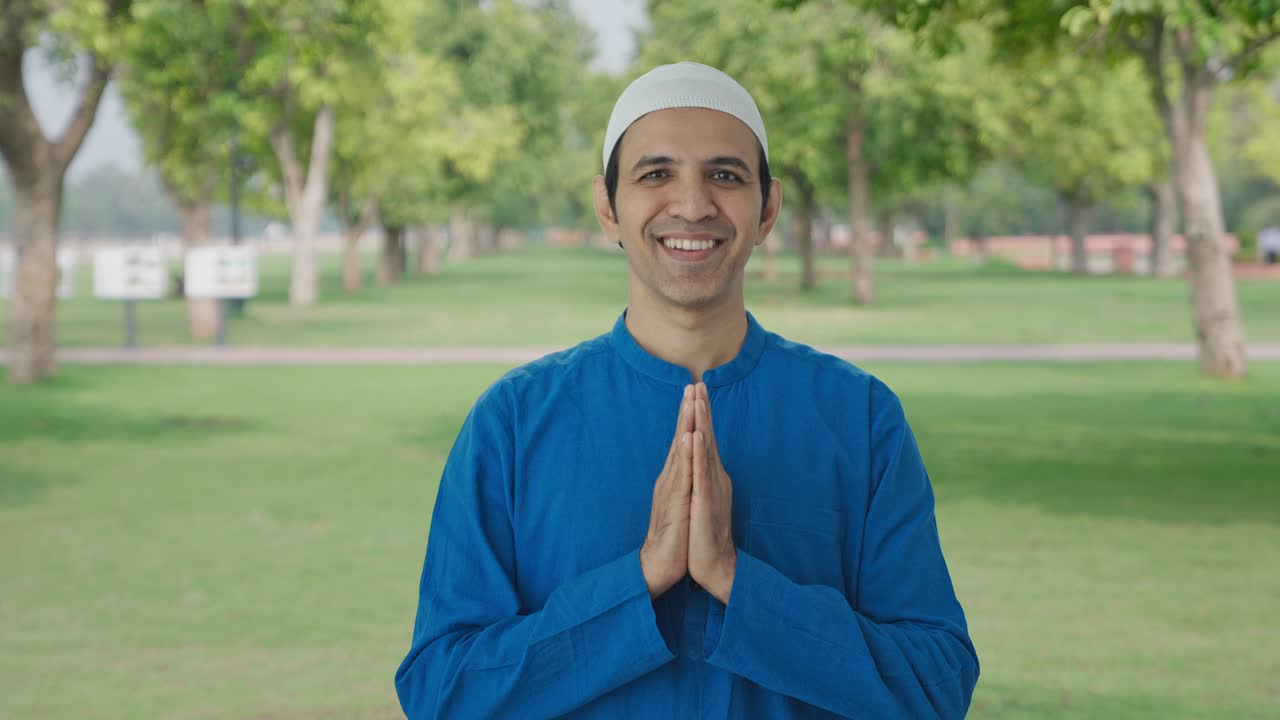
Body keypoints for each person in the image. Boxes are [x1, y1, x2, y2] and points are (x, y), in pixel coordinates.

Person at [395, 62, 979, 719]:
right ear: (608, 207)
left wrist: (736, 581)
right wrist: (639, 582)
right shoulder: (513, 423)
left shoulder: (858, 416)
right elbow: (441, 693)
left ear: (769, 209)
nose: (694, 204)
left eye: (726, 175)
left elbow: (935, 686)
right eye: (656, 174)